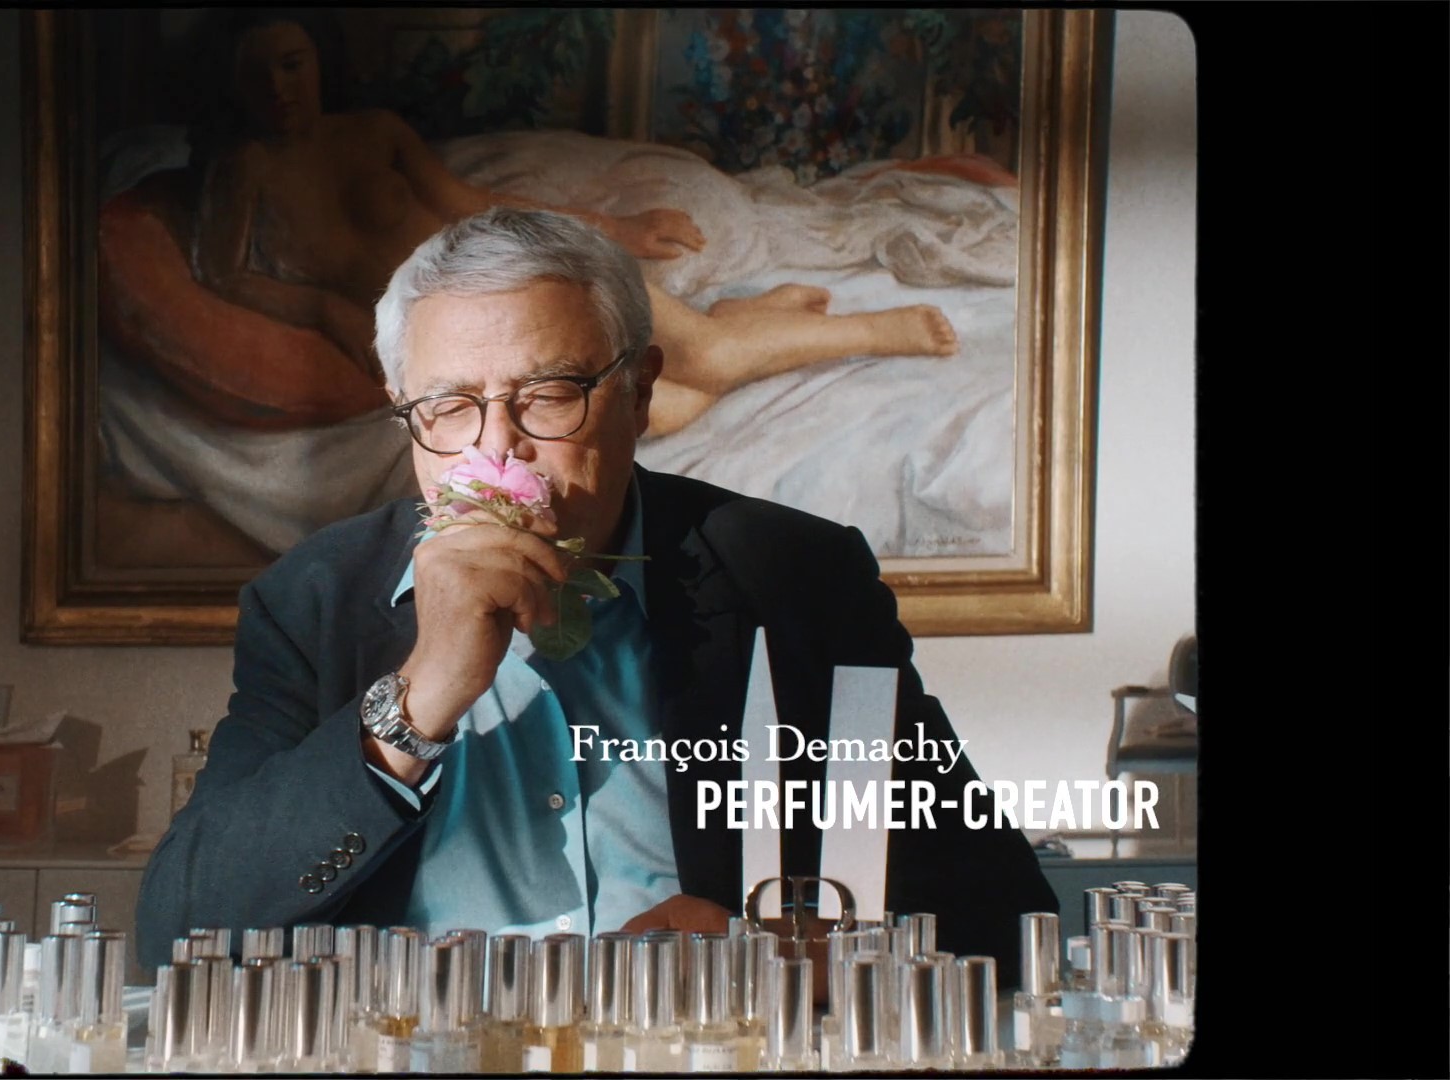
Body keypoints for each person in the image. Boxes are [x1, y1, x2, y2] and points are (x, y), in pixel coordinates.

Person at [136, 207, 1055, 984]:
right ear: (403, 410)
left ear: (640, 392)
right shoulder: (313, 601)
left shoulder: (793, 578)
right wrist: (419, 697)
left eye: (548, 394)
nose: (496, 449)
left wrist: (781, 954)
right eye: (449, 407)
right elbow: (179, 933)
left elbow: (1003, 917)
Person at [106, 9, 959, 441]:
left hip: (522, 272)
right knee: (658, 409)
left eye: (292, 64)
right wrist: (326, 311)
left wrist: (616, 228)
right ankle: (746, 321)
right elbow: (222, 276)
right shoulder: (243, 171)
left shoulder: (372, 132)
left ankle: (873, 331)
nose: (279, 88)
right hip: (463, 336)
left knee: (698, 359)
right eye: (256, 73)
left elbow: (474, 203)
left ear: (318, 61)